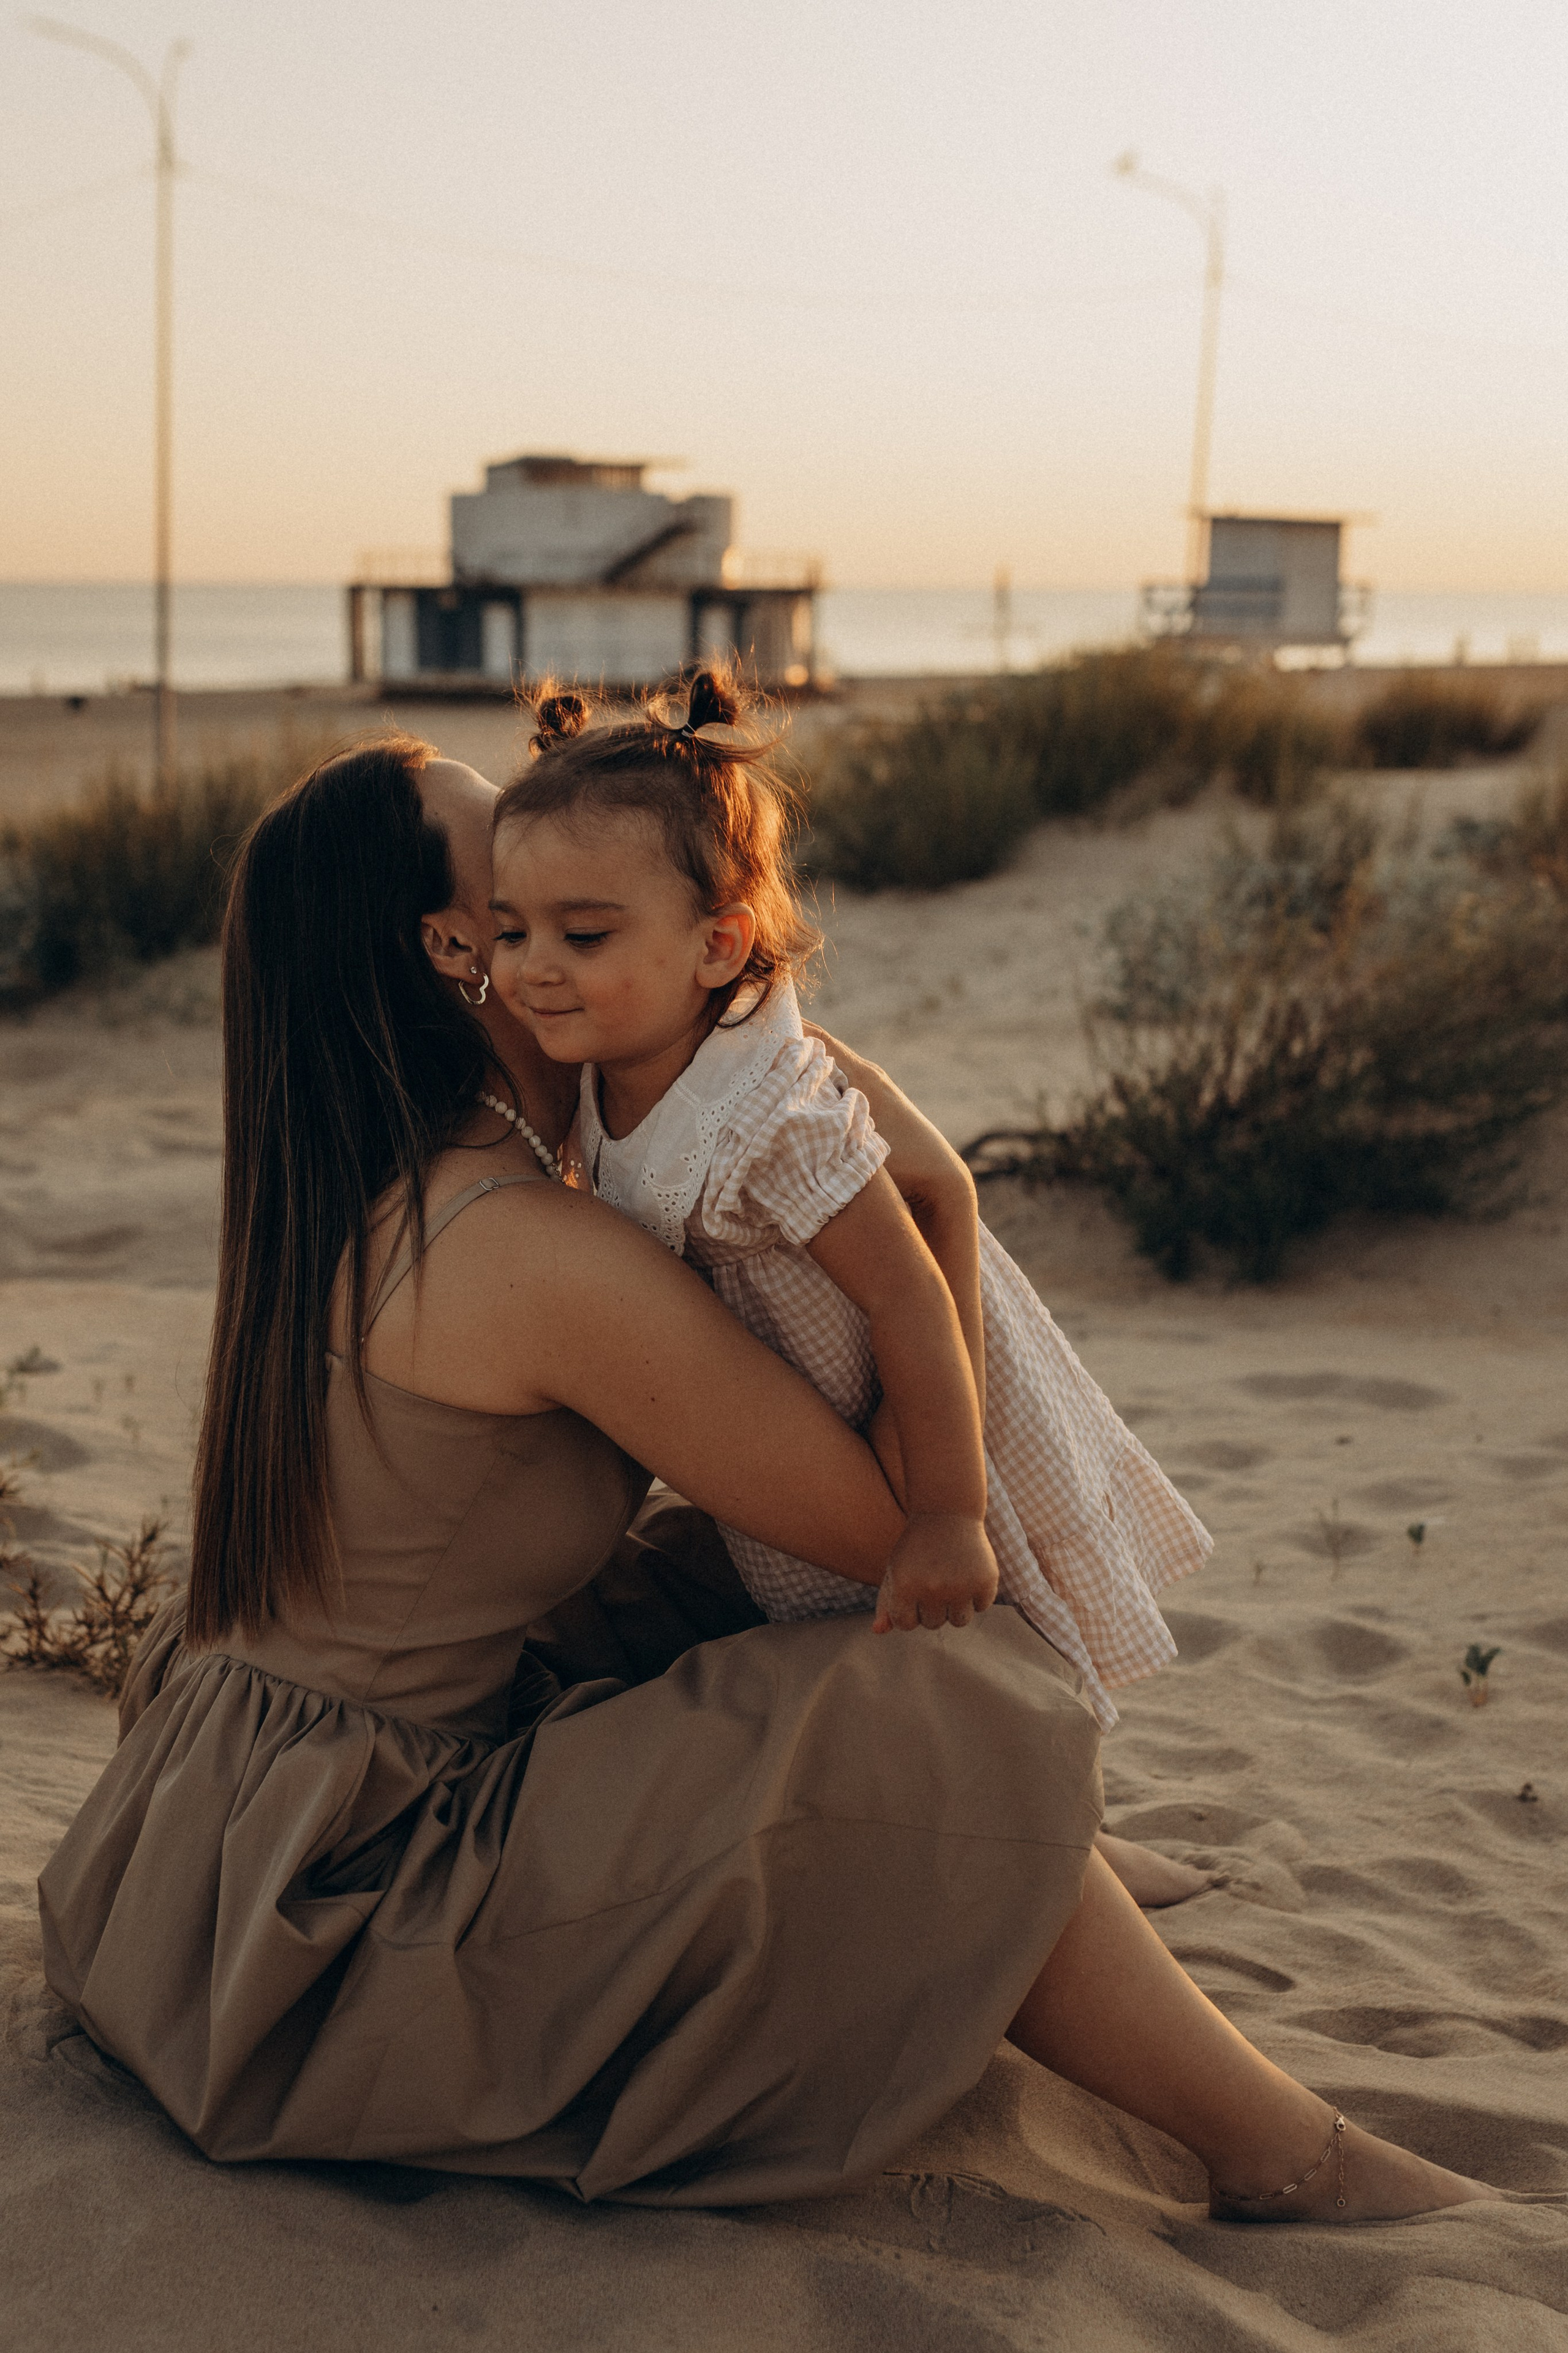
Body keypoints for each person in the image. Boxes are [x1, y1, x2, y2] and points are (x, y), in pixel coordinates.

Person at [38, 735, 1493, 2221]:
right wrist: (930, 1186)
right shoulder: (527, 1248)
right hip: (344, 1910)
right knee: (938, 1681)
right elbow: (896, 1530)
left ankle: (1057, 1870)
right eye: (519, 866)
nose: (557, 866)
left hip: (229, 1814)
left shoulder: (375, 1174)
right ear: (460, 949)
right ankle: (1272, 2147)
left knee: (711, 1580)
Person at [486, 670, 1209, 1730]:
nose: (536, 969)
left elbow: (909, 1293)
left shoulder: (767, 1118)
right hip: (811, 1413)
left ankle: (1066, 1832)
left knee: (977, 1630)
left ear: (717, 946)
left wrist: (949, 1512)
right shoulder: (611, 1064)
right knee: (884, 1652)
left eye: (583, 937)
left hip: (922, 1403)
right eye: (512, 932)